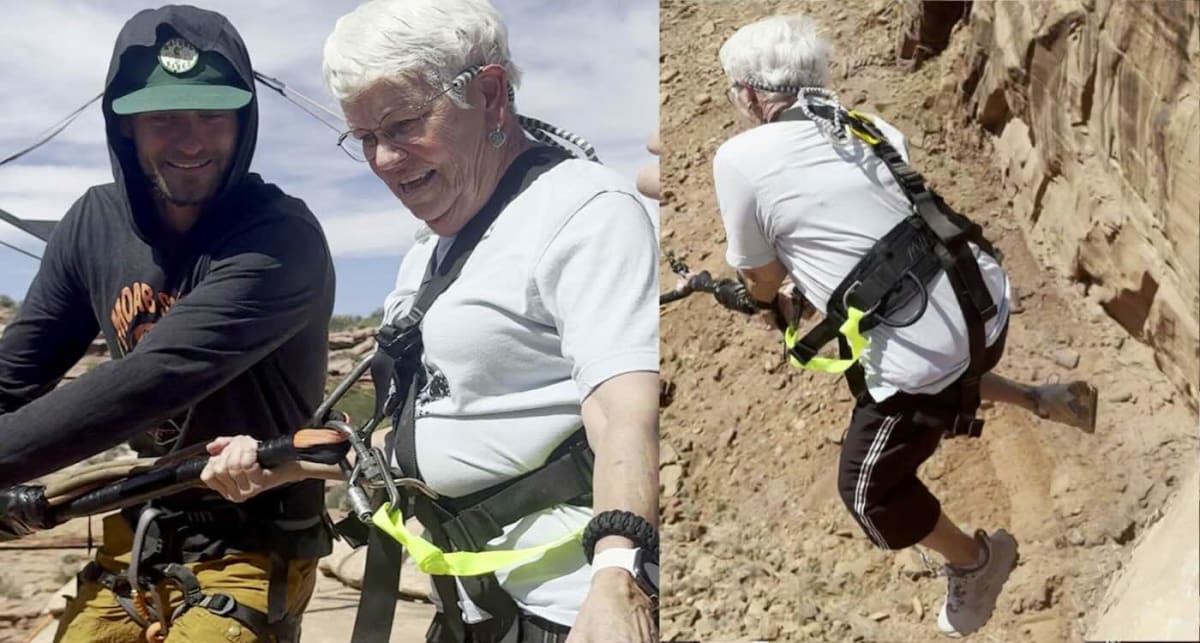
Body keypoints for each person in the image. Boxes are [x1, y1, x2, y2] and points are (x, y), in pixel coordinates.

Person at [200, 1, 660, 642]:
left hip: (567, 610)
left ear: (491, 93)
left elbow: (624, 410)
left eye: (404, 123)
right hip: (470, 609)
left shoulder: (584, 213)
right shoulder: (428, 252)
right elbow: (434, 431)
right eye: (364, 137)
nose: (384, 159)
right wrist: (272, 463)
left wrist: (619, 577)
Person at [705, 14, 1098, 637]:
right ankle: (1038, 398)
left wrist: (771, 297)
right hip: (985, 305)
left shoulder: (739, 157)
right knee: (902, 368)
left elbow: (761, 280)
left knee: (869, 494)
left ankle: (976, 561)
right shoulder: (870, 126)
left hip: (925, 349)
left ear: (750, 95)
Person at [0, 6, 335, 641]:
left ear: (243, 120)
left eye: (212, 114)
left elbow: (153, 380)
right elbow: (17, 372)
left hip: (254, 543)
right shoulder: (92, 224)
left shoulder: (279, 239)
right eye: (163, 118)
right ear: (125, 126)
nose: (190, 141)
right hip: (138, 532)